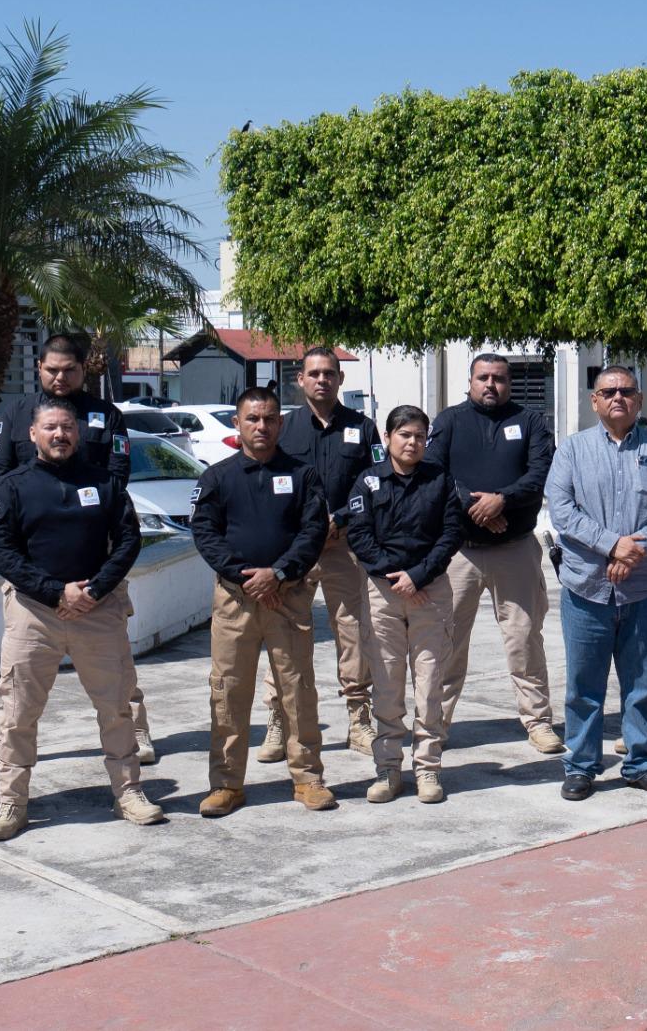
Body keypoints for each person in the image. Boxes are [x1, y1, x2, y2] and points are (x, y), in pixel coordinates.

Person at [0, 396, 164, 840]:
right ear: (33, 434)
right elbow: (0, 550)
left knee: (116, 708)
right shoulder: (12, 487)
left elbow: (128, 541)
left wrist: (95, 590)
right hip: (33, 613)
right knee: (17, 713)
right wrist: (53, 591)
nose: (59, 435)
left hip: (97, 611)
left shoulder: (105, 483)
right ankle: (11, 803)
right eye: (50, 428)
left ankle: (128, 792)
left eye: (66, 427)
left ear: (77, 433)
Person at [0, 333, 153, 768]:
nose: (60, 378)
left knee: (115, 656)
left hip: (96, 555)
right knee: (17, 670)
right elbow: (0, 473)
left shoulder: (106, 414)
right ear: (38, 368)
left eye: (69, 370)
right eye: (52, 370)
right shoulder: (15, 413)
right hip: (32, 560)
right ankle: (4, 740)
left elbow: (118, 472)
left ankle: (135, 728)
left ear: (83, 369)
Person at [547, 368, 647, 800]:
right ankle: (581, 766)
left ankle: (641, 763)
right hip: (586, 587)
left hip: (643, 587)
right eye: (608, 391)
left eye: (626, 391)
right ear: (594, 400)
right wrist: (612, 545)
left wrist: (635, 548)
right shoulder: (572, 450)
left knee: (642, 683)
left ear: (640, 399)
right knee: (583, 686)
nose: (617, 398)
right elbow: (562, 510)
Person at [191, 389, 333, 817]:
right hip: (235, 600)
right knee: (228, 691)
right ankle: (226, 784)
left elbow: (312, 531)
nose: (261, 426)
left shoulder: (303, 475)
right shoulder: (217, 477)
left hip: (287, 597)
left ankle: (307, 778)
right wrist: (244, 576)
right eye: (252, 418)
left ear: (280, 424)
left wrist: (280, 573)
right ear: (237, 423)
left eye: (269, 419)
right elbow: (206, 533)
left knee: (297, 690)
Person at [429, 354, 562, 754]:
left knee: (524, 638)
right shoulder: (449, 421)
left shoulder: (531, 421)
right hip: (459, 553)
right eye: (483, 377)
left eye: (499, 378)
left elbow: (541, 472)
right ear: (470, 381)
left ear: (510, 383)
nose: (491, 384)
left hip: (515, 549)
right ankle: (435, 725)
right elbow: (433, 473)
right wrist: (476, 506)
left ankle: (538, 721)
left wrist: (502, 500)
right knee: (447, 641)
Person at [347, 406, 467, 804]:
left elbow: (451, 534)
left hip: (430, 591)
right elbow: (360, 536)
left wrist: (418, 575)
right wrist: (396, 578)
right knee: (387, 682)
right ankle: (388, 768)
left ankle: (428, 767)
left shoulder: (441, 480)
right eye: (404, 435)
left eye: (419, 436)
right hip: (384, 593)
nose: (412, 442)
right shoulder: (367, 482)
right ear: (387, 438)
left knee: (430, 683)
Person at [266, 347, 381, 760]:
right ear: (300, 379)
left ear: (340, 379)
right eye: (313, 373)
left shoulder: (363, 428)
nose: (322, 380)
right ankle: (280, 720)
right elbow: (271, 481)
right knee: (285, 634)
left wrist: (343, 518)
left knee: (352, 632)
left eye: (329, 373)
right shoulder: (284, 428)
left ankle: (359, 719)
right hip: (295, 549)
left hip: (342, 548)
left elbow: (376, 481)